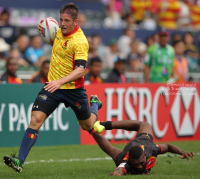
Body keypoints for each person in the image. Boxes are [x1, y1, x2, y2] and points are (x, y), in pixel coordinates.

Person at [3, 3, 103, 173]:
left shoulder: (80, 41)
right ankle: (19, 161)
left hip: (73, 90)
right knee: (35, 120)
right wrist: (43, 30)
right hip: (52, 86)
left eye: (66, 21)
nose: (62, 24)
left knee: (88, 125)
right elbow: (54, 42)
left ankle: (94, 104)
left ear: (76, 22)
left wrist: (60, 82)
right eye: (61, 19)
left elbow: (81, 70)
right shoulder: (58, 32)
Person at [91, 120, 194, 176]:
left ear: (145, 156)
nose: (140, 166)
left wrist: (182, 152)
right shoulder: (125, 161)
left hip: (143, 141)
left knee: (145, 124)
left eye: (141, 163)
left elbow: (168, 146)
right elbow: (120, 170)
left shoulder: (152, 149)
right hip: (129, 149)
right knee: (111, 150)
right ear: (130, 160)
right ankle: (91, 129)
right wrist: (117, 173)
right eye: (136, 164)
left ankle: (105, 124)